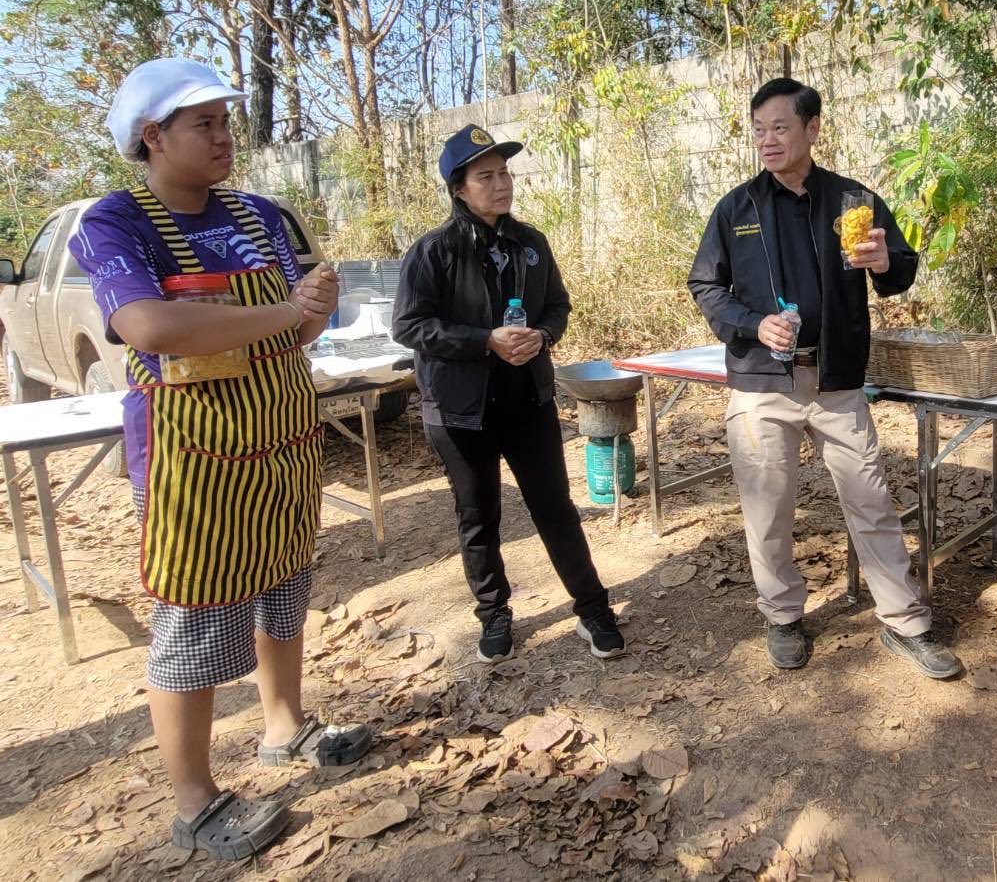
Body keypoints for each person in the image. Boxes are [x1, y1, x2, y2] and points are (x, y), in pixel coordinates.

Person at [68, 58, 372, 861]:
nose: (223, 137)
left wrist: (316, 311)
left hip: (280, 440)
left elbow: (295, 334)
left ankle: (285, 726)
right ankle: (196, 803)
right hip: (192, 457)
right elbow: (150, 327)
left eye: (225, 122)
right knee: (196, 618)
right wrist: (282, 309)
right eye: (202, 123)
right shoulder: (113, 225)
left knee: (283, 585)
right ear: (151, 135)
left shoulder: (260, 215)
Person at [687, 77, 962, 680]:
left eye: (780, 127)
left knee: (871, 502)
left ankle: (905, 623)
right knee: (768, 509)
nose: (767, 140)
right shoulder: (737, 209)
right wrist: (754, 325)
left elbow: (900, 272)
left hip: (836, 381)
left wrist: (888, 261)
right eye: (758, 130)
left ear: (812, 129)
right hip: (762, 384)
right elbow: (706, 286)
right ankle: (783, 615)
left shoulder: (852, 201)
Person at [392, 125, 624, 664]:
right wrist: (483, 341)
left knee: (555, 509)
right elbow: (409, 327)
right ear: (458, 188)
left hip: (528, 403)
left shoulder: (530, 244)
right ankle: (494, 616)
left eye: (504, 174)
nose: (501, 185)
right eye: (485, 176)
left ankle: (593, 610)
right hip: (460, 412)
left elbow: (558, 308)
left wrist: (541, 336)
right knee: (479, 516)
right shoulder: (433, 252)